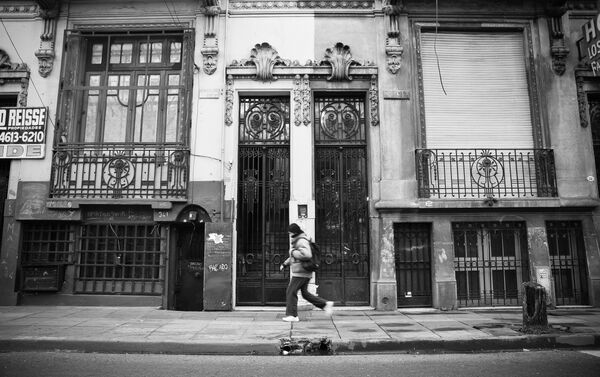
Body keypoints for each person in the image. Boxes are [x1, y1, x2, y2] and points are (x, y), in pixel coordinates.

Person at [279, 223, 333, 322]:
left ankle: (292, 315)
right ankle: (325, 304)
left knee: (291, 292)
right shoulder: (298, 240)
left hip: (301, 272)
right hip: (303, 272)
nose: (289, 234)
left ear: (294, 232)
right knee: (305, 294)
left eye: (290, 232)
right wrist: (285, 263)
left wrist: (292, 252)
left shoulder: (301, 240)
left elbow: (307, 255)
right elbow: (294, 257)